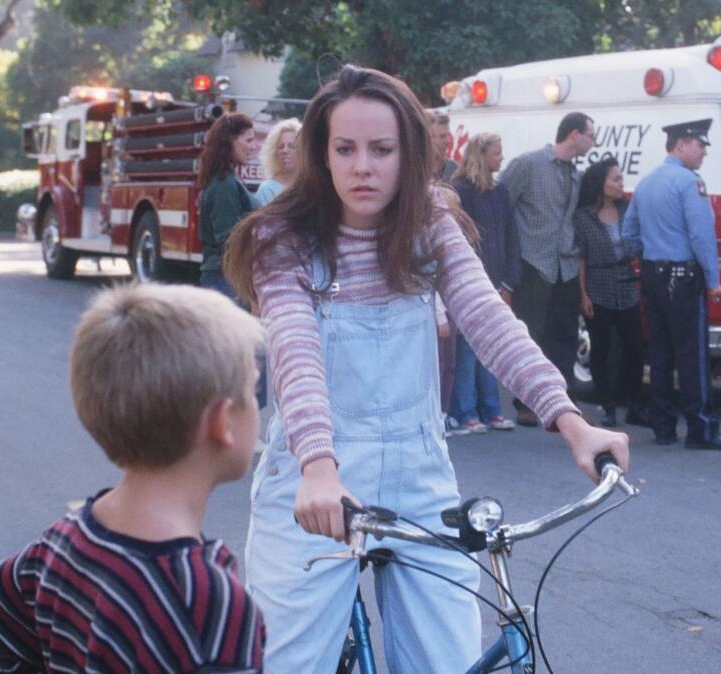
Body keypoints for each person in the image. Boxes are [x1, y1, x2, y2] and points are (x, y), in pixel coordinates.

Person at [223, 64, 629, 673]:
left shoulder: (431, 226)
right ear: (321, 155)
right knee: (287, 662)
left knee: (447, 660)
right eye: (346, 149)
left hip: (420, 476)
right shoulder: (284, 239)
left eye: (381, 149)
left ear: (408, 154)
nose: (363, 166)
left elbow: (491, 322)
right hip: (315, 481)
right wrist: (319, 469)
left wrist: (572, 421)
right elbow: (294, 351)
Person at [0, 284, 267, 673]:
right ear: (222, 422)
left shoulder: (64, 543)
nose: (260, 408)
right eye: (252, 387)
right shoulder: (210, 605)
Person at [622, 119, 721, 450]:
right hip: (683, 278)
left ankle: (663, 426)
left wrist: (649, 257)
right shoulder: (690, 184)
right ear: (680, 145)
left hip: (653, 276)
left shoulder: (646, 183)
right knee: (692, 356)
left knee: (660, 354)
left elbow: (629, 233)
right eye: (699, 145)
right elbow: (701, 235)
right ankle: (701, 428)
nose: (703, 152)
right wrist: (714, 280)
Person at [499, 111, 595, 426]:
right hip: (533, 261)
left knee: (564, 334)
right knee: (531, 335)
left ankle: (562, 401)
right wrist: (509, 255)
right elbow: (502, 204)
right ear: (574, 135)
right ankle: (526, 402)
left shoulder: (576, 175)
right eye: (590, 135)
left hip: (565, 263)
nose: (592, 142)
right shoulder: (528, 164)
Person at [448, 132, 520, 434]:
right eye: (496, 152)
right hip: (470, 281)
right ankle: (466, 412)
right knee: (466, 350)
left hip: (497, 279)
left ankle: (491, 410)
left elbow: (511, 236)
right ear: (481, 155)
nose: (501, 158)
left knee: (490, 346)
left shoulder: (500, 192)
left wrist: (510, 281)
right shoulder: (460, 191)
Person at [574, 157, 646, 429]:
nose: (620, 184)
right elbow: (580, 257)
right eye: (615, 179)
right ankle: (607, 405)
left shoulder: (628, 209)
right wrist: (583, 295)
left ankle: (635, 405)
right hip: (598, 283)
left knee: (633, 349)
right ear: (600, 183)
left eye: (621, 179)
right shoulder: (583, 217)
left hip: (626, 283)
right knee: (601, 349)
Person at [198, 112, 256, 298]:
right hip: (225, 281)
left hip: (226, 279)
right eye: (248, 141)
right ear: (231, 141)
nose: (253, 147)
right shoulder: (225, 185)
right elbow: (228, 240)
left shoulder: (228, 180)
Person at [255, 117, 302, 206]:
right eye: (280, 147)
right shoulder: (267, 189)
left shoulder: (312, 187)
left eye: (291, 146)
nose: (285, 150)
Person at [430, 110, 459, 180]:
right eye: (442, 136)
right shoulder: (409, 170)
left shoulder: (454, 170)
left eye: (448, 135)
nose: (448, 141)